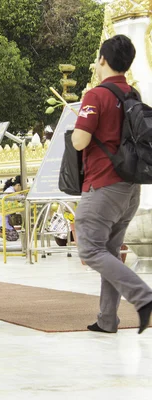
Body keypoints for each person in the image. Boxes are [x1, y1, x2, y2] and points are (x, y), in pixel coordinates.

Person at [71, 34, 152, 334]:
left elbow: (80, 141)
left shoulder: (96, 95)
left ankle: (144, 297)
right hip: (131, 187)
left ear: (102, 60)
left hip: (103, 184)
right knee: (111, 249)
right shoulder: (133, 94)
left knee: (90, 249)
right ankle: (107, 320)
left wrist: (75, 128)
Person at [0, 176, 22, 242]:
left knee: (15, 234)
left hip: (1, 217)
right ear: (18, 185)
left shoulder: (9, 190)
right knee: (14, 236)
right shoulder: (11, 193)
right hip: (1, 219)